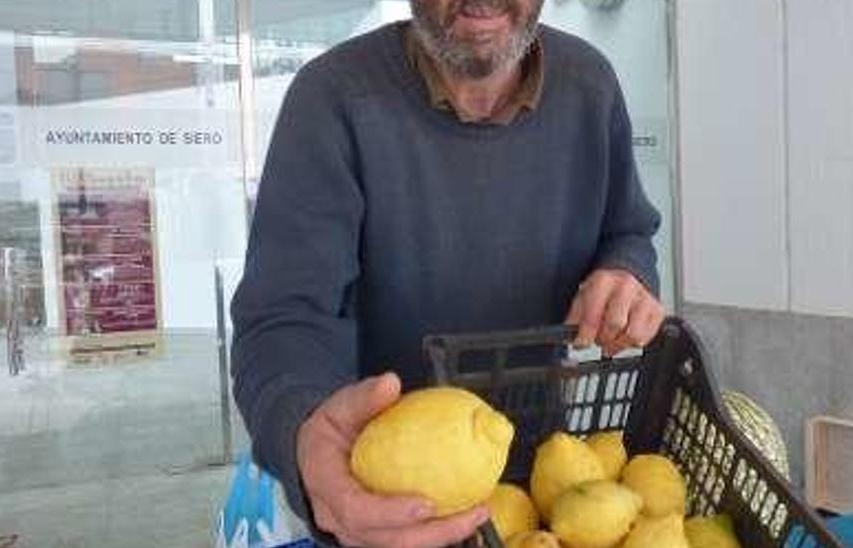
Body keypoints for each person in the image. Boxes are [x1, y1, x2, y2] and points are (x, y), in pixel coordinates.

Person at [231, 0, 663, 545]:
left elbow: (626, 230)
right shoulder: (333, 98)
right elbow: (281, 318)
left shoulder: (589, 85)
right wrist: (303, 432)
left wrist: (627, 271)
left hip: (542, 496)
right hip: (380, 503)